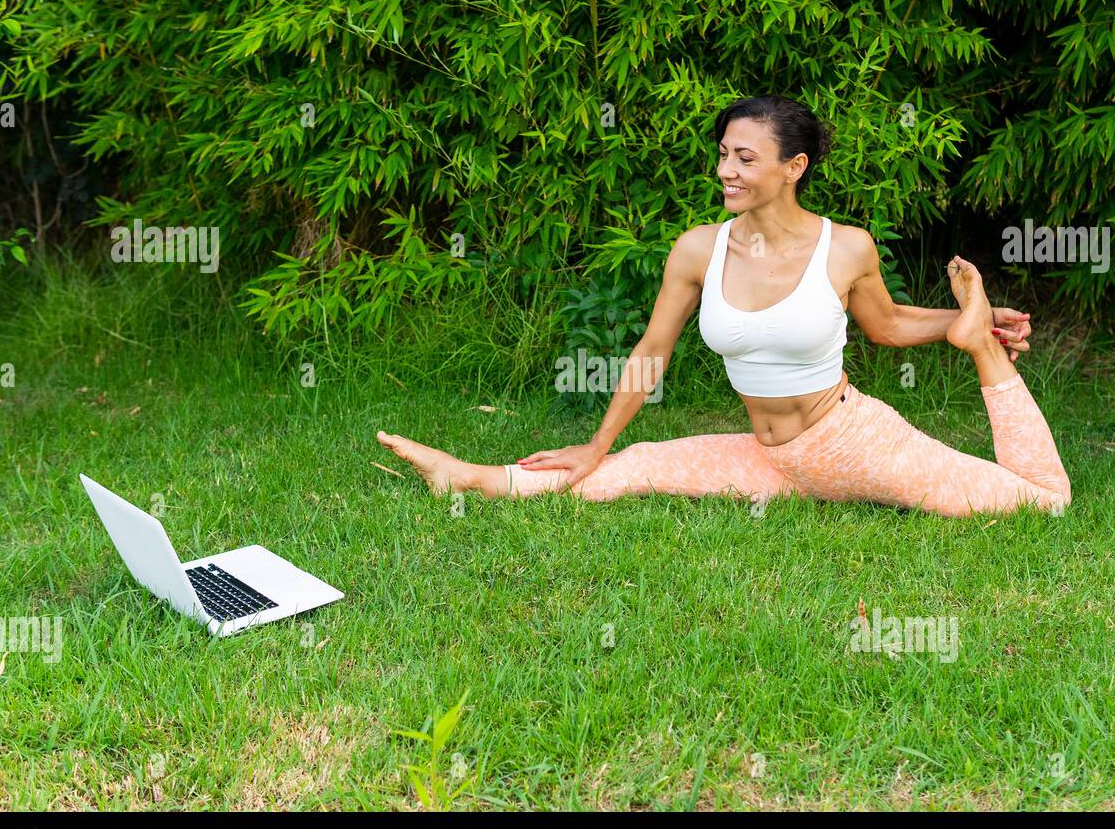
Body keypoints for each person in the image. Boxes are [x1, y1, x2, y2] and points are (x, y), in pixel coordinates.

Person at [377, 95, 1070, 518]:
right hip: (772, 459)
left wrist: (965, 327)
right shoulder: (697, 250)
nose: (725, 171)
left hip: (853, 444)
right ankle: (465, 475)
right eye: (722, 155)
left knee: (1042, 503)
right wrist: (596, 443)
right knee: (630, 468)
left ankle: (981, 351)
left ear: (793, 168)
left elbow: (884, 326)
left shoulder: (846, 248)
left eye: (744, 158)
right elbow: (652, 353)